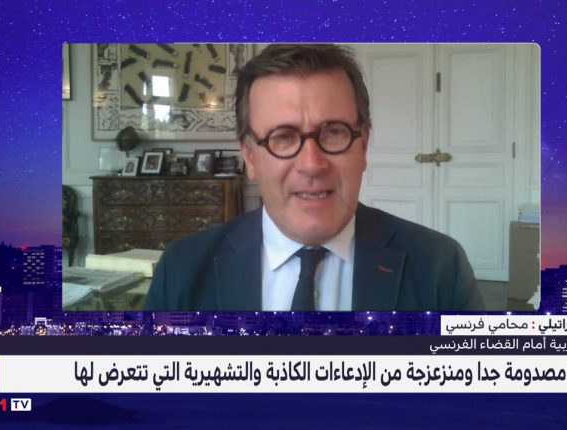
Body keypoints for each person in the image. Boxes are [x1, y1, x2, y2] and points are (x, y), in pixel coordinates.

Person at [145, 44, 484, 311]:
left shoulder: (440, 267)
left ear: (363, 145)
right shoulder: (182, 270)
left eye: (334, 132)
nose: (311, 164)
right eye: (283, 137)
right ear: (249, 155)